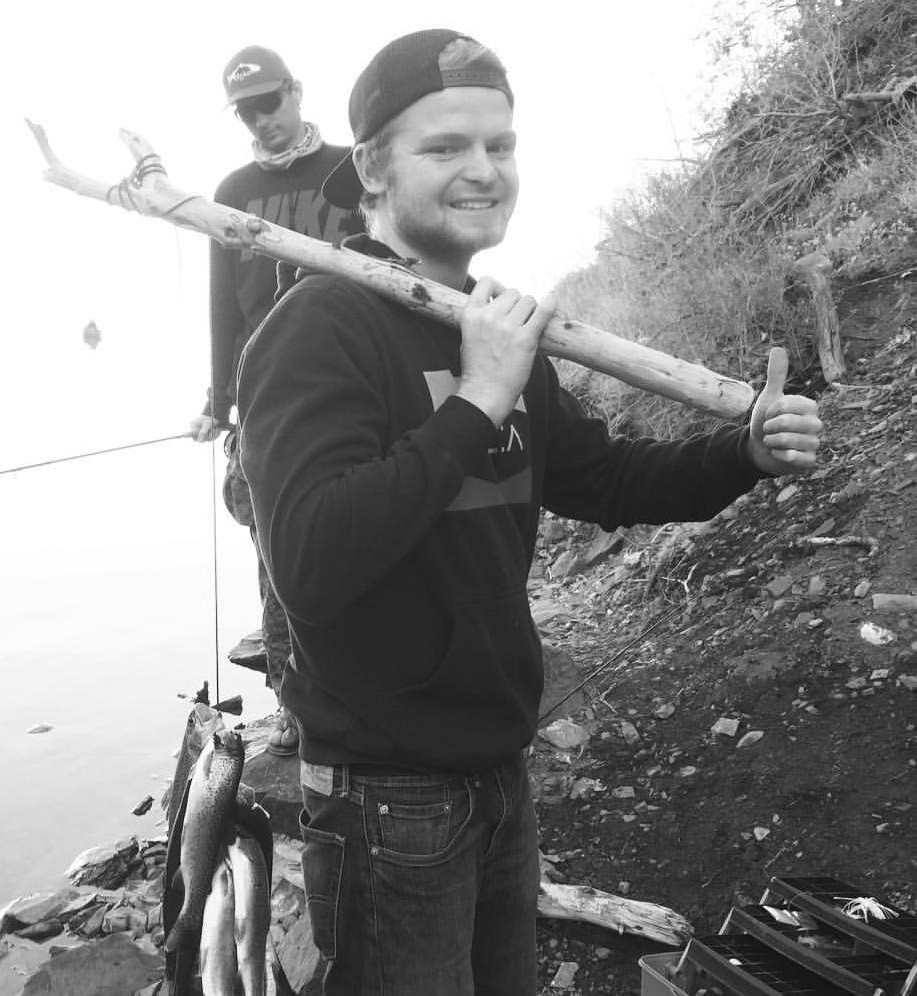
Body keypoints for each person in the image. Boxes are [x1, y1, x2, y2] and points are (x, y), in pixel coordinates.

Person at [235, 29, 824, 995]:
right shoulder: (316, 326)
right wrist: (478, 400)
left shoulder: (490, 324)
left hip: (499, 768)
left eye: (499, 145)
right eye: (445, 147)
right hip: (386, 795)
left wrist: (741, 455)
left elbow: (609, 479)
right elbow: (310, 559)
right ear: (372, 171)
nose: (484, 169)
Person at [190, 45, 364, 755]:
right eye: (247, 112)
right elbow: (222, 307)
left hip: (355, 382)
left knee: (364, 535)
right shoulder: (230, 191)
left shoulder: (352, 169)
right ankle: (297, 703)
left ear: (295, 90)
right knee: (280, 556)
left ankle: (371, 685)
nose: (262, 119)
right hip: (267, 402)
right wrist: (218, 399)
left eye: (270, 102)